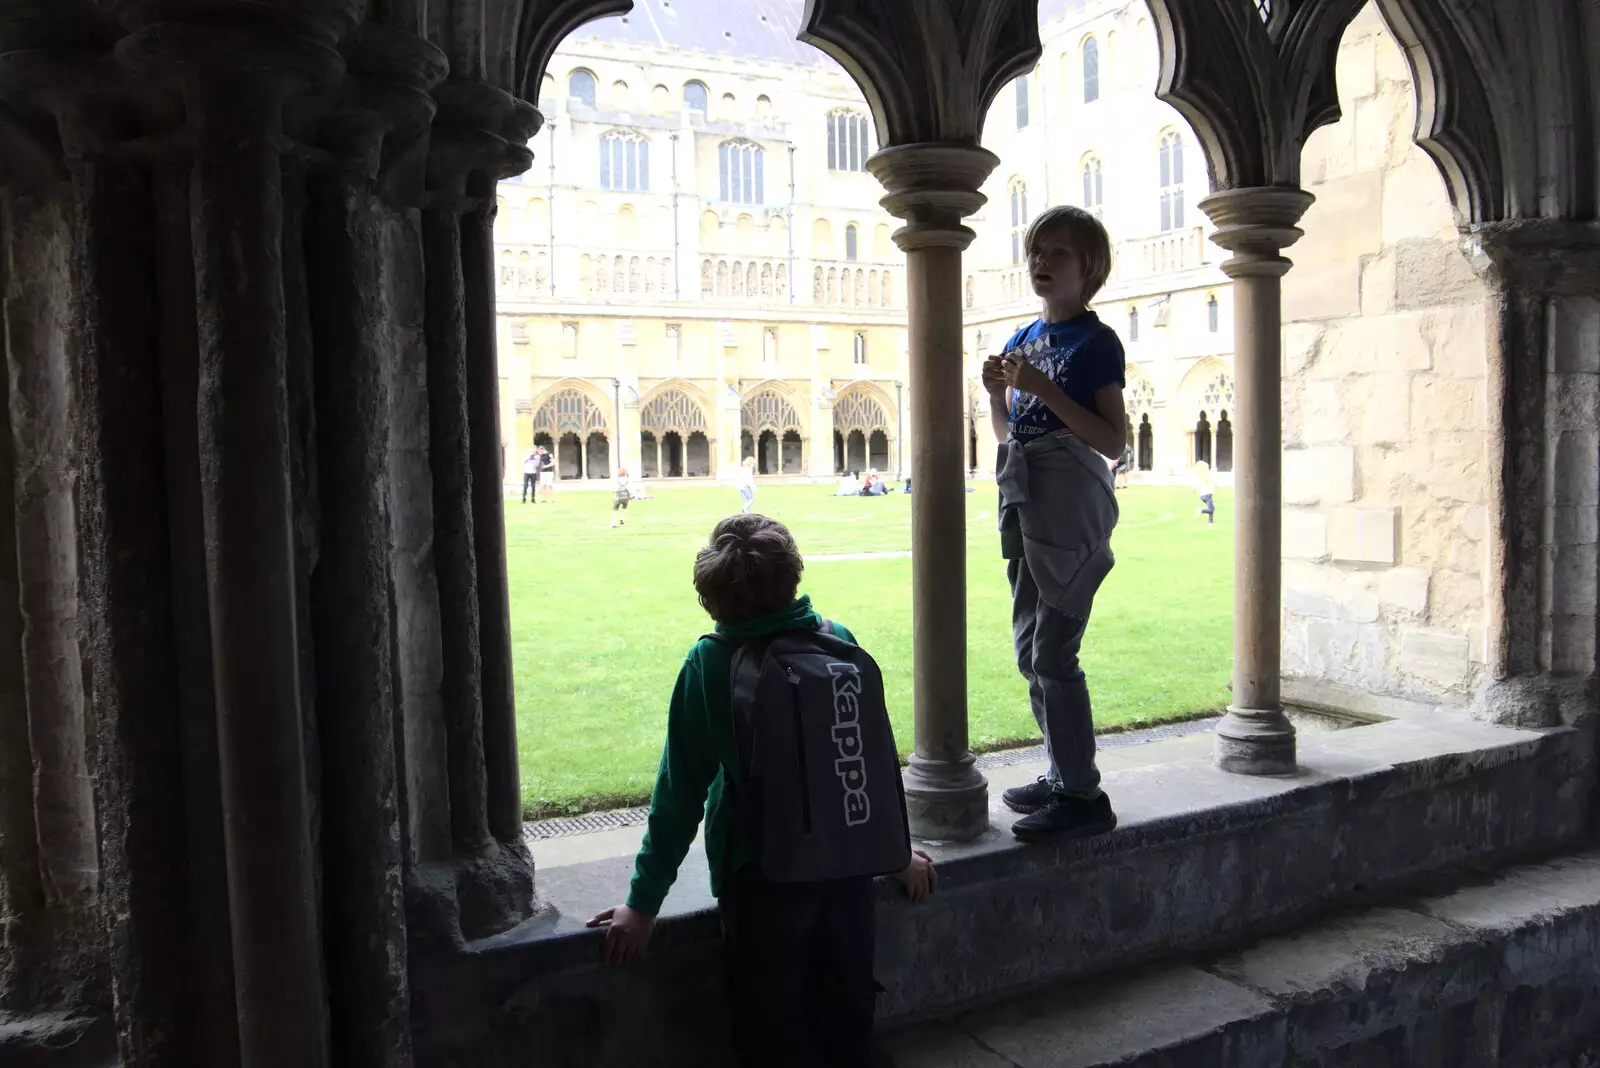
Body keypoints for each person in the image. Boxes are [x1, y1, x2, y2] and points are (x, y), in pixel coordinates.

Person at [585, 515, 937, 1068]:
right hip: (846, 873)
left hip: (761, 879)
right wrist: (894, 854)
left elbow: (679, 793)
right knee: (846, 1019)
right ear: (792, 578)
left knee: (772, 1032)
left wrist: (643, 904)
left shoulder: (710, 662)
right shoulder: (838, 640)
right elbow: (861, 760)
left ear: (715, 601)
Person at [981, 204, 1125, 843]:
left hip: (1069, 506)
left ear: (1088, 269)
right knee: (1026, 651)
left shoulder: (1096, 343)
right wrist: (995, 394)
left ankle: (1082, 796)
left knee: (1053, 652)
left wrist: (1042, 388)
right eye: (1035, 249)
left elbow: (1112, 440)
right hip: (1025, 499)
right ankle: (1062, 770)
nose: (1040, 261)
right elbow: (1010, 435)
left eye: (1057, 253)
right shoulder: (1020, 339)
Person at [1193, 460, 1216, 525]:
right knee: (1211, 509)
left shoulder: (1205, 475)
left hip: (1206, 495)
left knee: (1211, 508)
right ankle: (1201, 510)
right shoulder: (1204, 476)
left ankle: (1210, 522)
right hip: (1206, 495)